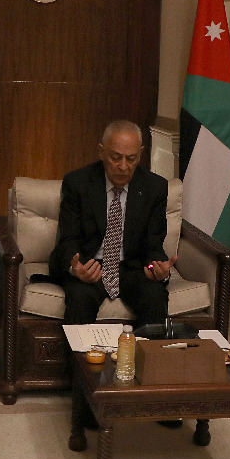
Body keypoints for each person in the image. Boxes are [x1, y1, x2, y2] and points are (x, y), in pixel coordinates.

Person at [49, 120, 177, 328]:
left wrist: (158, 269)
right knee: (80, 298)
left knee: (155, 296)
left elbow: (153, 244)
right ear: (101, 152)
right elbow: (68, 239)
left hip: (133, 267)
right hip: (92, 266)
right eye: (115, 158)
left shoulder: (155, 187)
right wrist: (76, 268)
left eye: (131, 159)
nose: (123, 167)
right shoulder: (78, 183)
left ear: (140, 154)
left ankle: (146, 350)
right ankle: (80, 351)